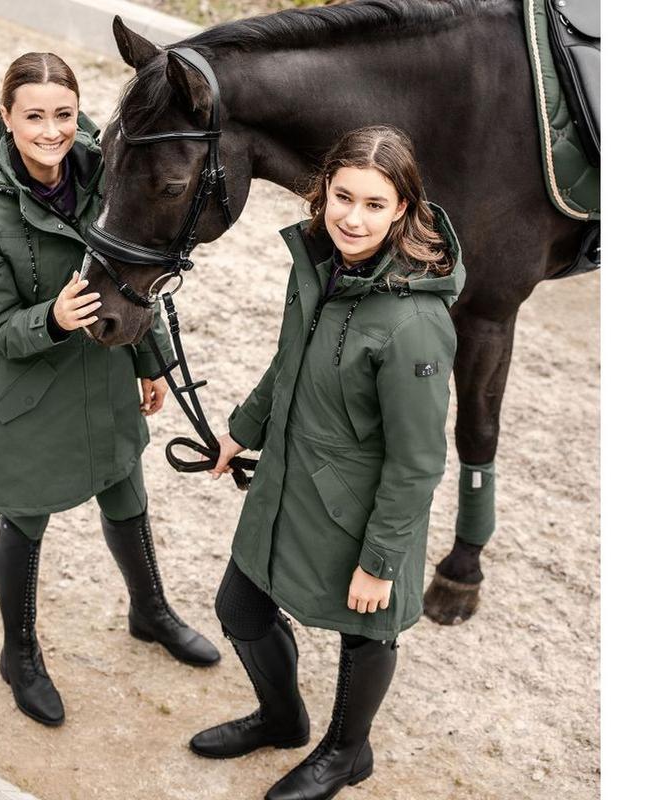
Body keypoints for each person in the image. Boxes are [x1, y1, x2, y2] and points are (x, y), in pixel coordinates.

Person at [189, 126, 465, 799]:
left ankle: (345, 753)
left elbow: (419, 461)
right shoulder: (318, 262)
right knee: (240, 607)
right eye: (343, 197)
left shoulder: (414, 325)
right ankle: (282, 719)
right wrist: (241, 431)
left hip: (360, 510)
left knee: (365, 633)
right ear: (323, 192)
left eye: (375, 204)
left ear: (402, 209)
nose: (353, 218)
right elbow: (291, 359)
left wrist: (380, 560)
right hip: (286, 480)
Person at [0, 52, 219, 728]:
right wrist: (52, 318)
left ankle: (150, 611)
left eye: (64, 114)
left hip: (104, 374)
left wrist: (151, 361)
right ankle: (19, 654)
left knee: (127, 491)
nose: (52, 131)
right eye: (34, 116)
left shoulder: (109, 174)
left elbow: (136, 278)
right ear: (7, 118)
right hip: (31, 394)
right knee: (23, 519)